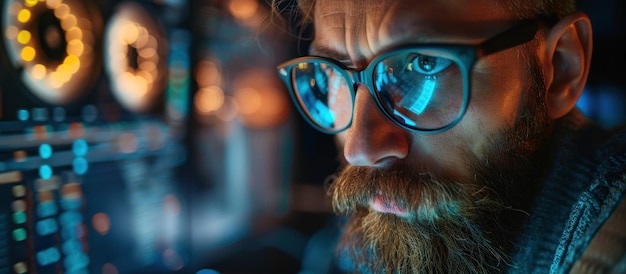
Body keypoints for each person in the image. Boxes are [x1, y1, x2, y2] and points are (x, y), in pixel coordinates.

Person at [273, 0, 626, 273]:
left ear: (561, 68)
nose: (360, 149)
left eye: (424, 64)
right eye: (333, 75)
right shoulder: (356, 248)